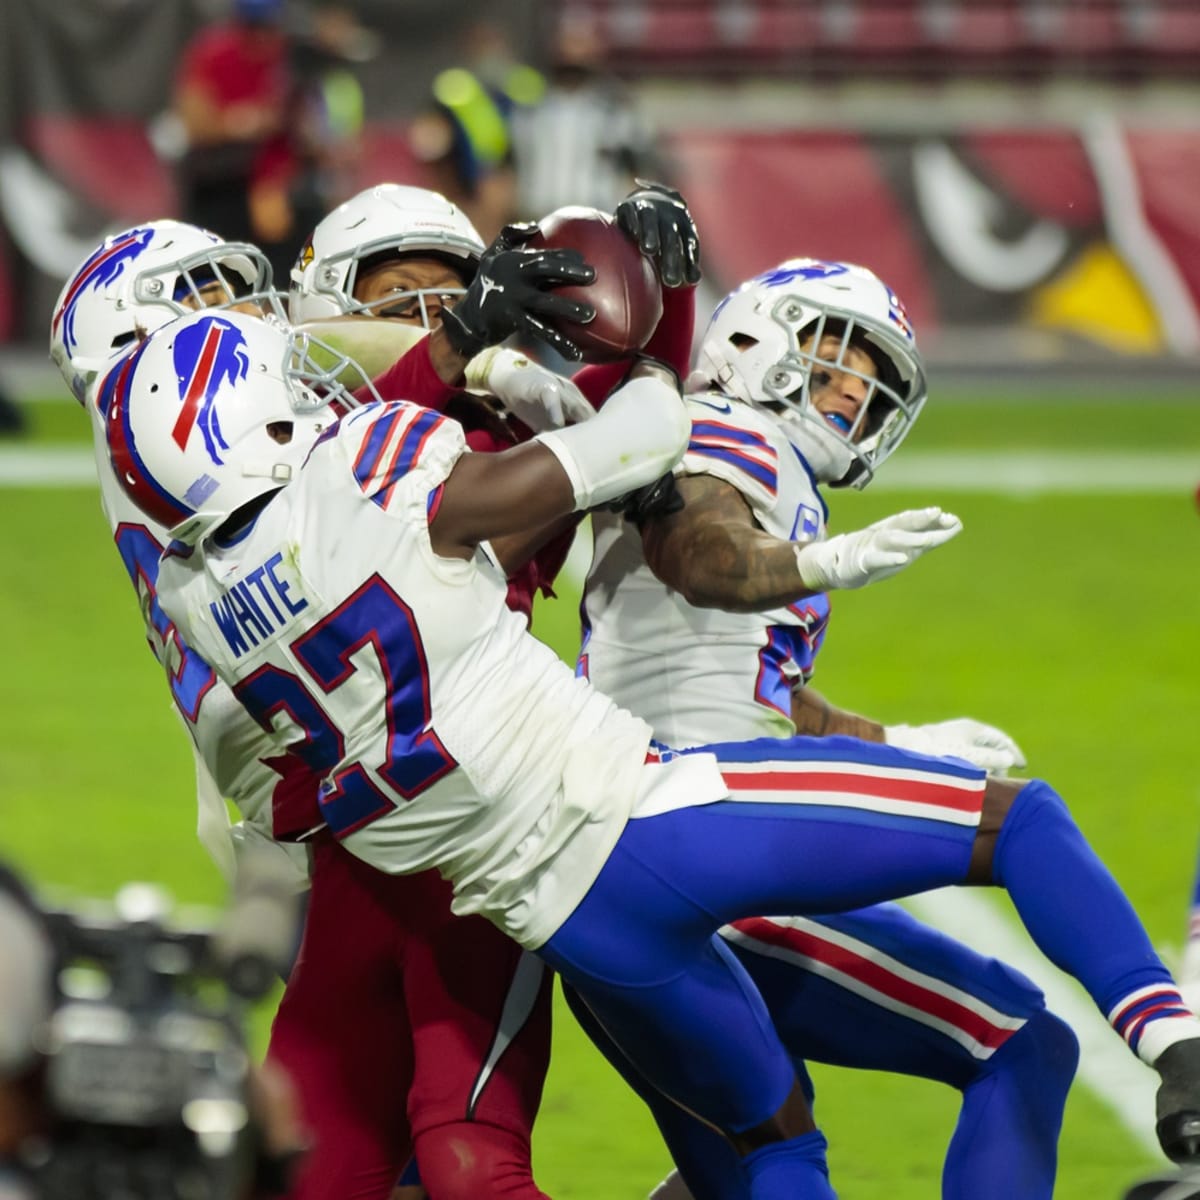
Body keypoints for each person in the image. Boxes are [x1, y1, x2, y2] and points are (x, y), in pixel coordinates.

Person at [109, 275, 1200, 1194]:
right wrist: (636, 329)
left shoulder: (207, 611)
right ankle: (1182, 1051)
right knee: (1022, 829)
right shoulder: (371, 471)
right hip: (648, 829)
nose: (320, 398)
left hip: (570, 929)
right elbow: (650, 452)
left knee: (780, 1153)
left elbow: (299, 804)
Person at [572, 259, 1076, 1199]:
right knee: (1019, 1040)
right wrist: (822, 558)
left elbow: (750, 688)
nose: (856, 389)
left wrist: (898, 741)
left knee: (758, 1158)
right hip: (705, 857)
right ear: (760, 341)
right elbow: (705, 557)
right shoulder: (731, 436)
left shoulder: (723, 441)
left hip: (610, 880)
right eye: (839, 357)